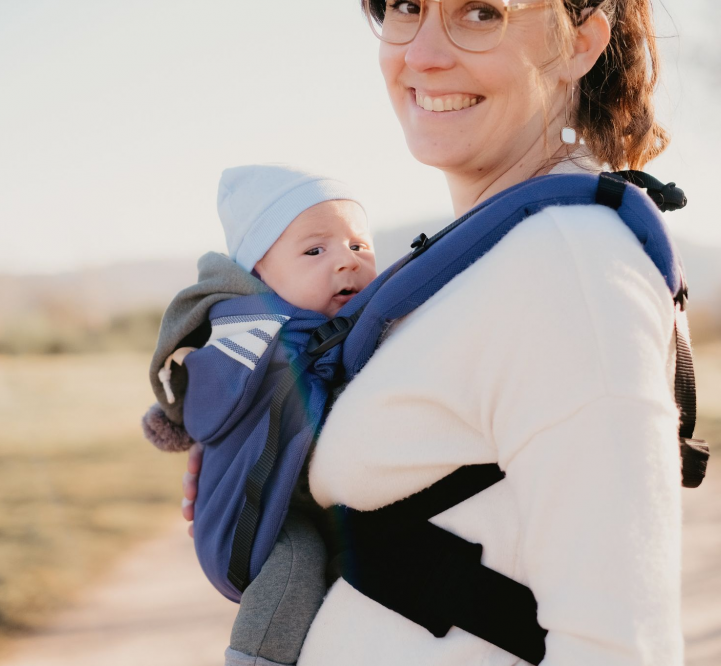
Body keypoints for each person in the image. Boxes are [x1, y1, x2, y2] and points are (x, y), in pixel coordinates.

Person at [182, 0, 685, 663]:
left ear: (581, 42)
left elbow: (620, 647)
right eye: (406, 7)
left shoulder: (566, 268)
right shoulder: (488, 259)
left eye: (480, 12)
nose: (421, 55)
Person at [145, 164, 377, 666]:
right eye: (315, 251)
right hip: (249, 521)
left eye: (358, 246)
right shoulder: (251, 339)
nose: (346, 262)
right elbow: (207, 397)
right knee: (298, 564)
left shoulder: (355, 321)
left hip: (301, 495)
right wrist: (178, 412)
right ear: (258, 276)